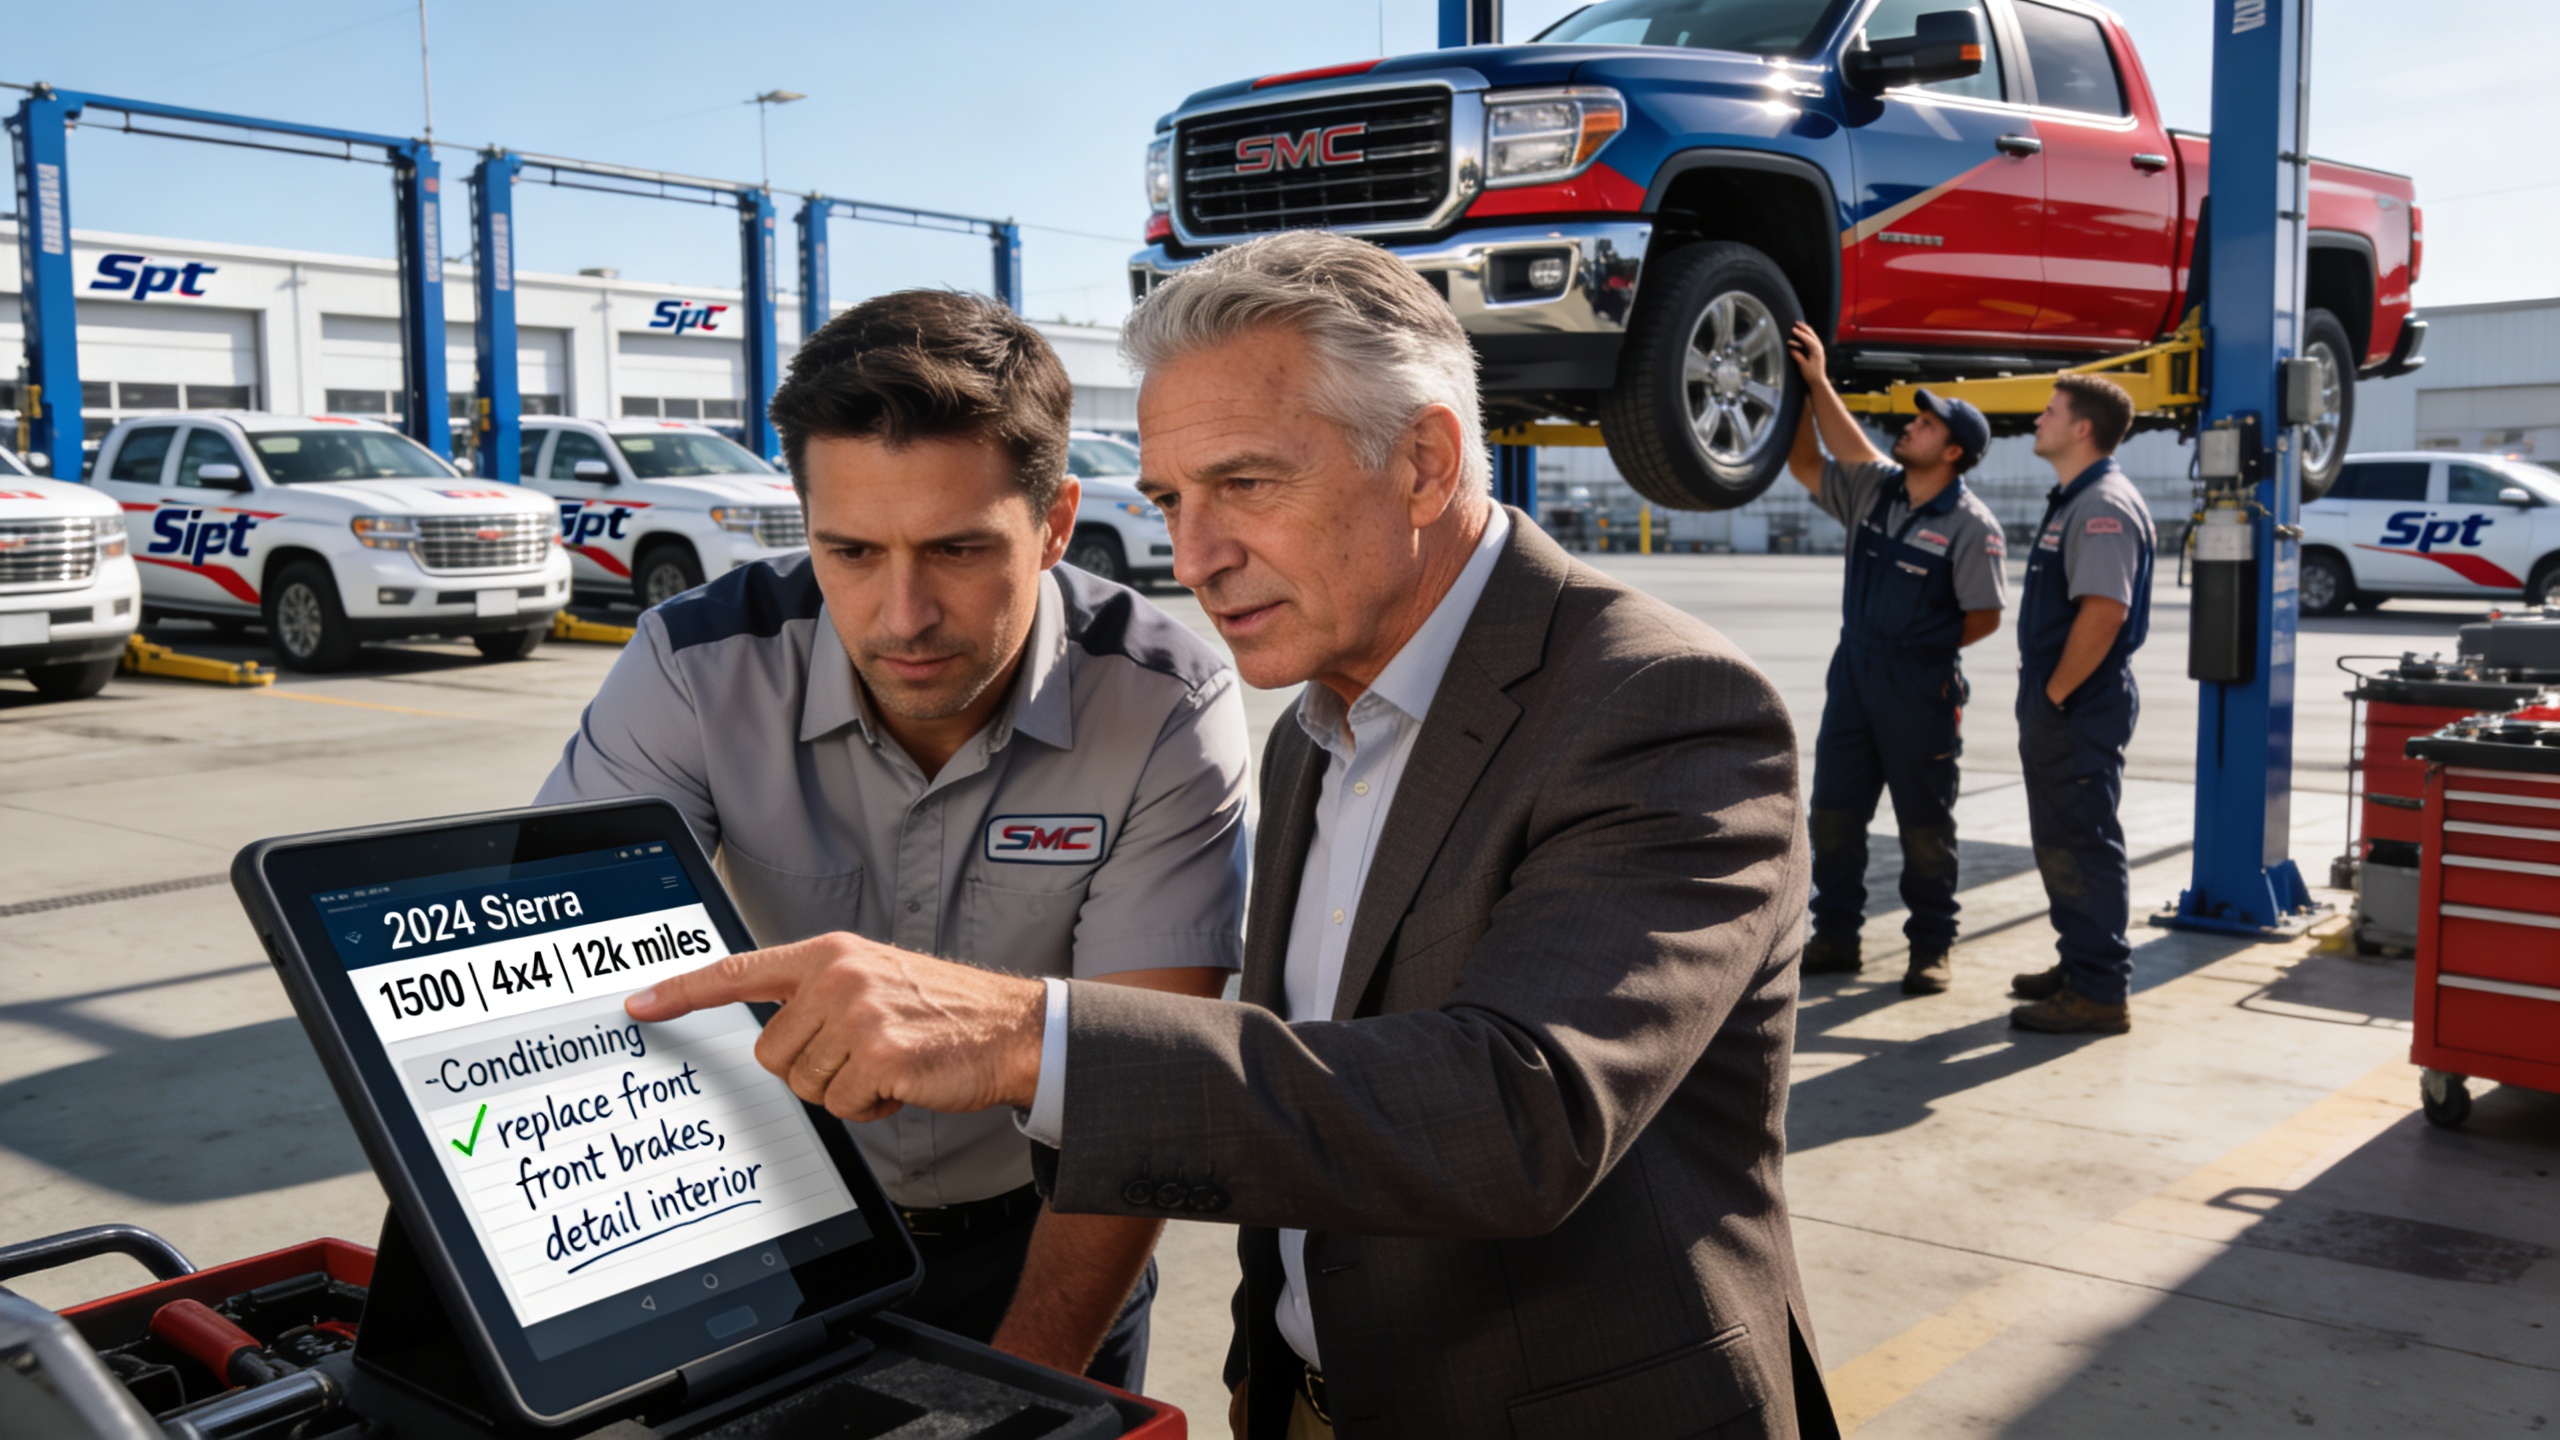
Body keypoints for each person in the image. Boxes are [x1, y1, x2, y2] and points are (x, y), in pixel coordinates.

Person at [620, 232, 1839, 1439]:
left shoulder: (1661, 705)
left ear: (1422, 461)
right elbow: (1298, 1092)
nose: (1193, 559)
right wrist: (1276, 1355)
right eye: (1170, 502)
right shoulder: (1318, 725)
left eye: (1246, 485)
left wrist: (1018, 1035)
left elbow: (1517, 1118)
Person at [534, 289, 1250, 1390]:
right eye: (852, 551)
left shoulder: (1164, 703)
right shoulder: (693, 667)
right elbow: (564, 969)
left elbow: (1135, 1082)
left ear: (1056, 522)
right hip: (765, 1233)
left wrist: (1028, 1382)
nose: (901, 615)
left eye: (960, 549)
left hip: (1052, 1239)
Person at [1784, 324, 2007, 994]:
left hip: (1921, 684)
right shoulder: (1875, 491)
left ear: (1954, 451)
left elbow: (1986, 617)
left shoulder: (1973, 526)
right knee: (1833, 814)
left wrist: (1922, 648)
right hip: (1853, 672)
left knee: (1924, 825)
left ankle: (1930, 947)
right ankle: (1836, 937)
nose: (1911, 426)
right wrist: (1801, 397)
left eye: (1926, 424)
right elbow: (1807, 463)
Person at [2008, 374, 2156, 1034]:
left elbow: (2104, 612)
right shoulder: (2078, 497)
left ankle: (2100, 990)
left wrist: (2054, 695)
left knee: (2083, 841)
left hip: (2078, 701)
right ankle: (2081, 961)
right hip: (2067, 699)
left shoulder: (2102, 506)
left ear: (2082, 429)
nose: (2038, 419)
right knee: (2063, 837)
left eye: (2050, 410)